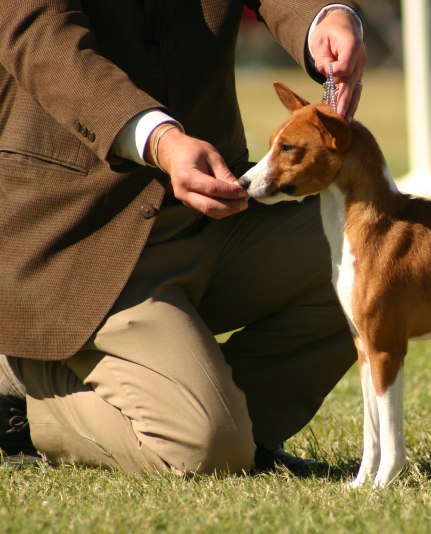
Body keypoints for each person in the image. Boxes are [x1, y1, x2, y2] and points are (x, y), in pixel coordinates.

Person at [0, 1, 366, 475]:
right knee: (204, 451)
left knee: (380, 260)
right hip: (80, 235)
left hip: (220, 211)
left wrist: (327, 15)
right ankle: (27, 387)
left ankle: (232, 432)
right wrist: (160, 140)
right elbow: (42, 40)